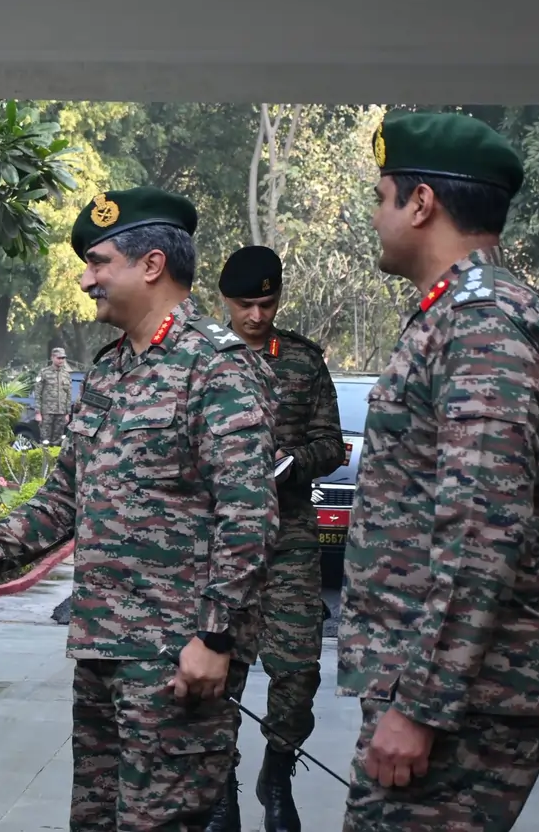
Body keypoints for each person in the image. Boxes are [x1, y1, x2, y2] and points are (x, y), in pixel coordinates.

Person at [0, 187, 279, 831]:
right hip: (104, 649)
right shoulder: (110, 372)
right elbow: (63, 499)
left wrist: (215, 636)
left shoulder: (216, 368)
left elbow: (248, 517)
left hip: (176, 655)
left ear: (152, 264)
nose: (85, 280)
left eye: (98, 261)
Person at [337, 110, 539, 830]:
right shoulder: (457, 315)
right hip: (453, 686)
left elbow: (481, 528)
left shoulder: (482, 323)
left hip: (467, 701)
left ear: (421, 203)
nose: (375, 217)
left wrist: (422, 706)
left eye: (381, 197)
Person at [205, 245, 345, 832]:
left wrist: (294, 461)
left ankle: (278, 770)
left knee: (298, 673)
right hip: (218, 544)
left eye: (266, 304)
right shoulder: (204, 360)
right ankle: (220, 788)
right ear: (225, 302)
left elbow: (332, 445)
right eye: (244, 305)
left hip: (287, 536)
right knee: (220, 670)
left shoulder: (304, 362)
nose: (256, 317)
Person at [34, 346, 73, 443]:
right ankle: (45, 458)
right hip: (47, 412)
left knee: (58, 440)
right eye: (59, 358)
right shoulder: (44, 373)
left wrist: (67, 413)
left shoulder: (66, 375)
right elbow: (37, 393)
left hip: (61, 413)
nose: (61, 360)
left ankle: (55, 458)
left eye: (63, 358)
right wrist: (38, 413)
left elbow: (68, 395)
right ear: (52, 357)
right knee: (45, 440)